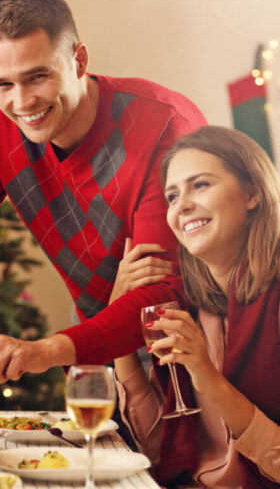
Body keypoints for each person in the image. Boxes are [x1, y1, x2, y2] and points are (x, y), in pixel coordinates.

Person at [0, 0, 207, 388]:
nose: (21, 102)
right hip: (100, 342)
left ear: (79, 60)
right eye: (3, 84)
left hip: (197, 348)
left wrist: (43, 351)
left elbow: (163, 298)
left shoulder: (164, 127)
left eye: (37, 77)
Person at [112, 126, 280, 488]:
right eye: (172, 195)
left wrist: (208, 377)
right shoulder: (194, 308)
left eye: (200, 185)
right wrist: (120, 318)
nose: (182, 205)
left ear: (252, 193)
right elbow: (160, 450)